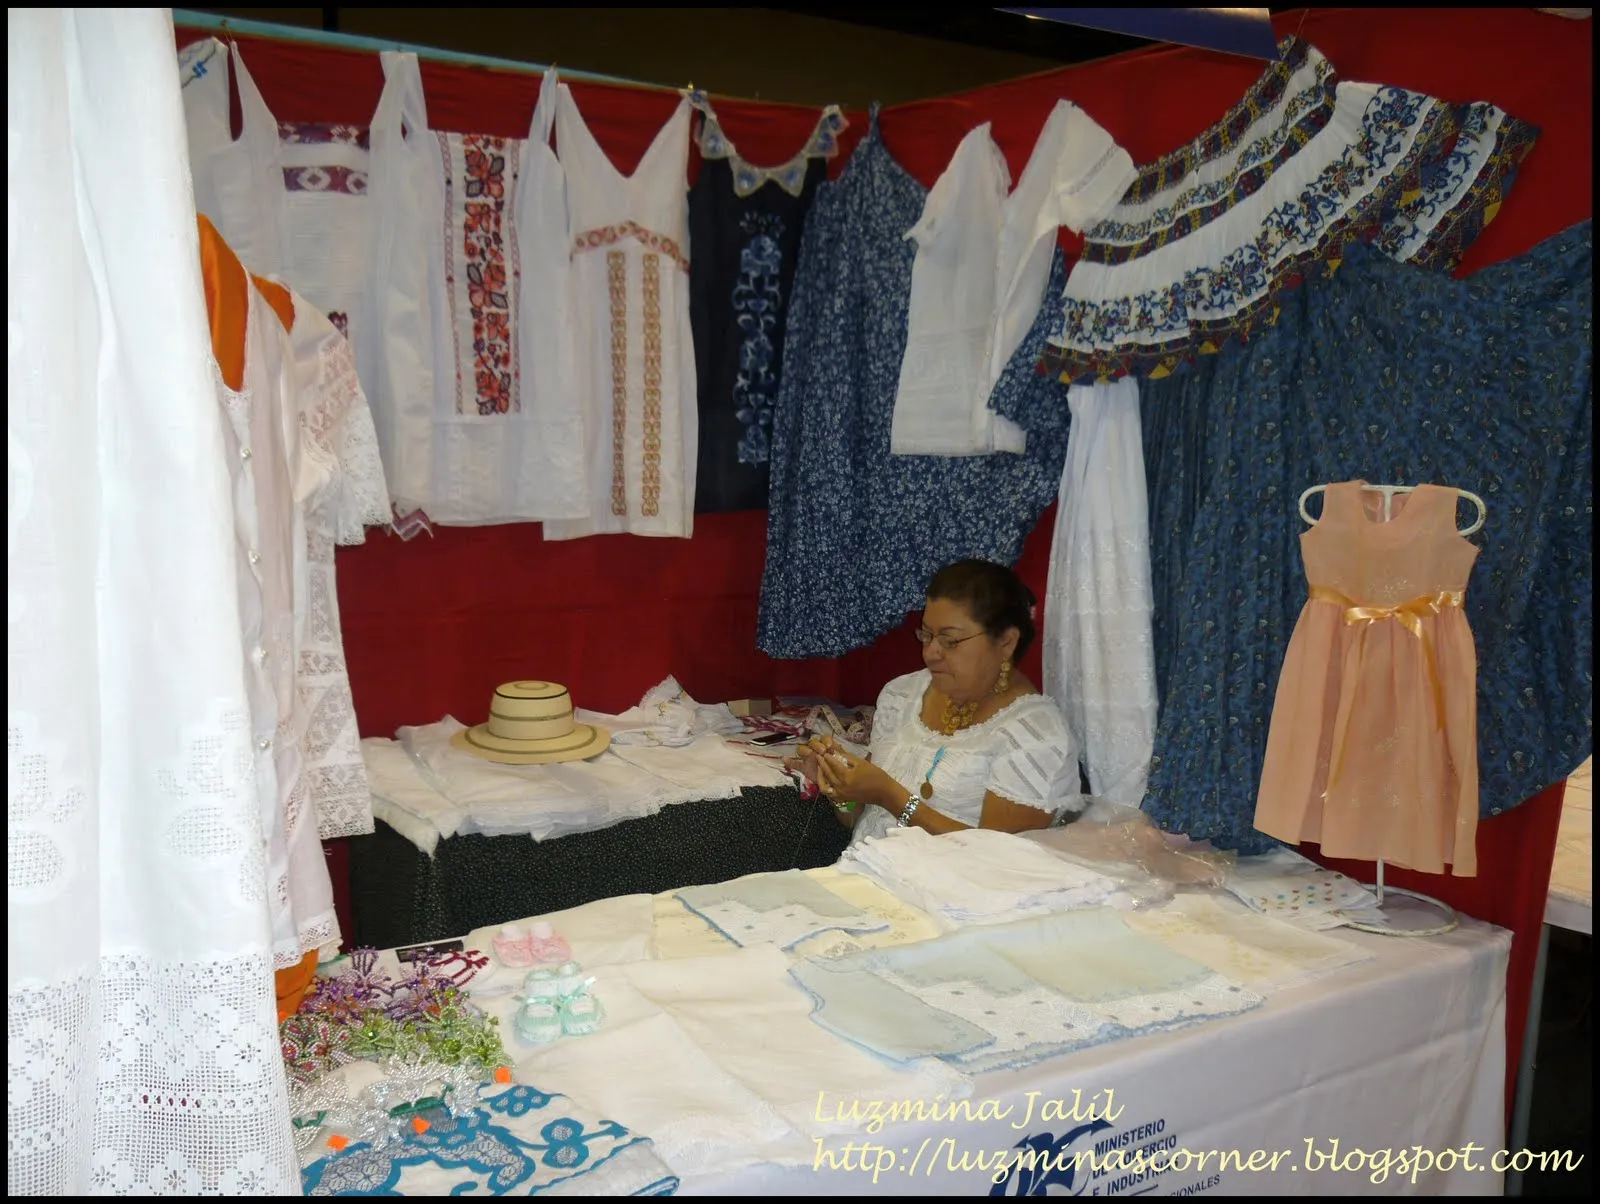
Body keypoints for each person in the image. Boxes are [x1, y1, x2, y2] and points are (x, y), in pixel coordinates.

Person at [788, 559, 1083, 846]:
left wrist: (891, 796)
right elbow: (860, 820)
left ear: (1006, 642)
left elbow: (998, 863)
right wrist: (839, 787)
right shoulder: (903, 694)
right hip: (864, 877)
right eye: (926, 635)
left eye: (949, 640)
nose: (930, 652)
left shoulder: (1034, 735)